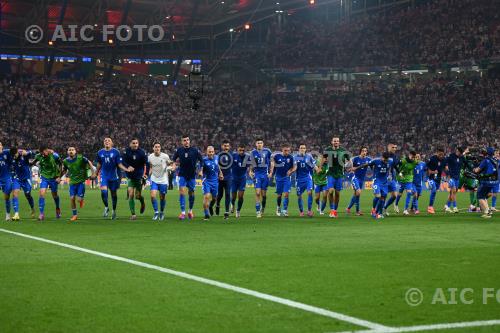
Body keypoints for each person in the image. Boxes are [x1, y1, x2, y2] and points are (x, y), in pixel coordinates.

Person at [95, 138, 132, 220]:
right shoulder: (100, 152)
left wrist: (126, 169)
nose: (107, 142)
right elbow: (99, 164)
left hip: (113, 176)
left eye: (108, 141)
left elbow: (119, 164)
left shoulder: (116, 152)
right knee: (103, 191)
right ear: (103, 143)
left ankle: (114, 211)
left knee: (113, 194)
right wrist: (96, 173)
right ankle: (106, 207)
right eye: (105, 141)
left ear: (112, 143)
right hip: (104, 175)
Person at [354, 152, 394, 220]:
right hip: (376, 181)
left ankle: (378, 213)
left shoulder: (390, 161)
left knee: (383, 198)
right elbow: (366, 164)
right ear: (382, 157)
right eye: (384, 160)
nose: (385, 161)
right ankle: (373, 209)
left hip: (384, 182)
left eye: (387, 160)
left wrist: (392, 175)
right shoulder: (376, 161)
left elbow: (394, 166)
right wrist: (356, 168)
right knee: (378, 196)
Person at [172, 135, 204, 220]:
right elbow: (174, 159)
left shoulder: (195, 150)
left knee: (191, 193)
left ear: (189, 141)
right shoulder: (179, 150)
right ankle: (183, 213)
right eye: (184, 140)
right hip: (182, 174)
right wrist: (174, 165)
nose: (186, 141)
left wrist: (201, 170)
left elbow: (201, 160)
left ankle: (190, 211)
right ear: (182, 142)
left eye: (187, 140)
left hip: (192, 175)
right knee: (182, 192)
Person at [62, 147, 95, 221]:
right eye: (69, 150)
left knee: (79, 200)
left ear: (75, 151)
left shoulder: (80, 157)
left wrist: (93, 173)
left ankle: (81, 200)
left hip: (81, 181)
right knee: (72, 198)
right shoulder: (65, 161)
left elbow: (89, 162)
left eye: (72, 150)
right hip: (72, 182)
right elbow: (64, 170)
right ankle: (74, 215)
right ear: (67, 152)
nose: (71, 151)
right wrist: (62, 175)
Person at [122, 138, 149, 220]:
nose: (135, 144)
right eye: (133, 143)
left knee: (138, 196)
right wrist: (127, 166)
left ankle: (142, 202)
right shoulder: (126, 151)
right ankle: (133, 214)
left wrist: (146, 174)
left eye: (136, 143)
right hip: (130, 177)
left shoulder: (142, 152)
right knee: (131, 195)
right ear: (130, 144)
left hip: (139, 177)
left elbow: (147, 164)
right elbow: (122, 161)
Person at [324, 137, 351, 218]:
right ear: (332, 142)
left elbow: (349, 160)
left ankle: (335, 210)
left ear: (339, 142)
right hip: (331, 174)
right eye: (335, 141)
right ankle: (332, 209)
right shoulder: (328, 150)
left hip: (339, 174)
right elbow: (324, 158)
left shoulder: (343, 150)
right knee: (331, 191)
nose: (336, 142)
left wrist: (350, 167)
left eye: (337, 141)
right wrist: (320, 167)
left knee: (338, 193)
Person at [34, 146, 62, 221]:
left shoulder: (55, 155)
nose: (45, 152)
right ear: (41, 152)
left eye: (46, 150)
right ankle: (41, 214)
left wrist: (59, 176)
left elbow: (61, 164)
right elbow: (33, 162)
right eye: (43, 151)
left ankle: (57, 208)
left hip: (53, 178)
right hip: (44, 177)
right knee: (42, 193)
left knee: (54, 195)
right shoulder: (38, 156)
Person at [148, 142, 172, 221]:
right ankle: (156, 212)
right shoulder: (150, 157)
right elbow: (151, 167)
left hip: (163, 180)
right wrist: (147, 174)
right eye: (156, 147)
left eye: (158, 147)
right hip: (154, 179)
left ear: (160, 148)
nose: (157, 148)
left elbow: (170, 163)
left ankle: (161, 212)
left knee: (162, 197)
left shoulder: (165, 156)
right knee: (152, 196)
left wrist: (170, 167)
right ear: (153, 148)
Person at [269, 144, 294, 217]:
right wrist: (271, 172)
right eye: (285, 150)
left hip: (286, 178)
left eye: (288, 150)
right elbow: (273, 164)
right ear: (282, 150)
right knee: (279, 195)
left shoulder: (291, 157)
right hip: (278, 178)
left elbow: (294, 166)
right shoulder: (277, 156)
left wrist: (291, 170)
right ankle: (278, 207)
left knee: (286, 194)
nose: (287, 152)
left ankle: (285, 210)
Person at [249, 138, 272, 218]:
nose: (259, 144)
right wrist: (250, 171)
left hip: (265, 175)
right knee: (258, 193)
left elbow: (271, 162)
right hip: (257, 175)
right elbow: (252, 163)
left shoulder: (267, 151)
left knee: (264, 195)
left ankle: (263, 208)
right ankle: (258, 211)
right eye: (258, 143)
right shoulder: (253, 152)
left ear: (263, 144)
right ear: (256, 144)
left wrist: (271, 172)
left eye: (261, 143)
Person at [473, 147, 499, 219]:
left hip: (486, 181)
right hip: (494, 182)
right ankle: (488, 211)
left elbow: (478, 170)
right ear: (493, 153)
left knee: (480, 196)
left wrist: (474, 169)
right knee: (484, 196)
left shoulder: (485, 160)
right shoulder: (496, 160)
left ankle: (487, 212)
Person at [11, 146, 35, 220]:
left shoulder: (23, 155)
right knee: (15, 193)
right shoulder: (11, 158)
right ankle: (16, 214)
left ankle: (32, 208)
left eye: (15, 154)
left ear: (17, 152)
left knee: (28, 195)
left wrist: (28, 152)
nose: (14, 156)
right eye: (13, 155)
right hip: (17, 179)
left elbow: (33, 153)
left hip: (26, 179)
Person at [200, 146, 223, 220]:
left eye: (212, 152)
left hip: (215, 181)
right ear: (207, 152)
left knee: (214, 198)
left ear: (214, 152)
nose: (211, 153)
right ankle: (206, 214)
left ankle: (210, 206)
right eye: (209, 152)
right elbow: (201, 168)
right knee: (206, 197)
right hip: (207, 181)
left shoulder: (216, 157)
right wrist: (200, 172)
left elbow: (218, 166)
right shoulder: (204, 160)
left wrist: (221, 173)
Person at [347, 147, 370, 216]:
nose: (364, 152)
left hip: (362, 179)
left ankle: (348, 208)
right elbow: (348, 166)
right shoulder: (355, 159)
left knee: (356, 194)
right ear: (360, 151)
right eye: (363, 151)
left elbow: (374, 164)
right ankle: (357, 211)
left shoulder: (368, 159)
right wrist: (350, 169)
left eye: (365, 151)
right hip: (355, 178)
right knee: (358, 192)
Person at [294, 144, 316, 217]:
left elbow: (313, 165)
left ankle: (309, 211)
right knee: (299, 195)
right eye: (301, 148)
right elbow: (294, 167)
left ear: (305, 149)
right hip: (299, 179)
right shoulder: (295, 157)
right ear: (299, 149)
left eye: (304, 148)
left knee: (310, 192)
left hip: (307, 178)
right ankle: (301, 211)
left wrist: (318, 169)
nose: (302, 149)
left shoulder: (309, 156)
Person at [394, 151, 418, 215]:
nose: (413, 158)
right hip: (401, 178)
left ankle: (405, 209)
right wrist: (399, 173)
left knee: (409, 193)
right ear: (409, 155)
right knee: (400, 194)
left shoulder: (415, 161)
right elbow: (395, 165)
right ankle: (396, 204)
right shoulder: (403, 161)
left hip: (409, 179)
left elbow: (419, 163)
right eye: (412, 157)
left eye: (414, 157)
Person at [231, 144, 251, 218]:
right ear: (237, 149)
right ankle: (232, 204)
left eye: (243, 150)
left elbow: (250, 166)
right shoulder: (233, 156)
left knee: (240, 196)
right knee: (233, 196)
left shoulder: (247, 157)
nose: (242, 152)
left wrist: (250, 171)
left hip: (242, 178)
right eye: (240, 150)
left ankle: (238, 211)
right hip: (233, 178)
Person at [444, 147, 465, 213]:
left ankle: (447, 206)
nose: (460, 154)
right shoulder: (451, 156)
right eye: (460, 153)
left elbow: (466, 163)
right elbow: (445, 162)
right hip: (451, 177)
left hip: (457, 177)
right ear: (457, 151)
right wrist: (446, 168)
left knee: (453, 193)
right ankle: (455, 207)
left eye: (461, 153)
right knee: (453, 191)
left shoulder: (461, 157)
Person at [426, 148, 446, 214]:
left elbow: (445, 167)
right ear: (437, 153)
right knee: (434, 190)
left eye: (442, 155)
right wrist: (431, 172)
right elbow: (426, 167)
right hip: (431, 178)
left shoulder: (444, 160)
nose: (441, 156)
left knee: (434, 191)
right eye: (440, 154)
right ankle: (430, 207)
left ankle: (430, 206)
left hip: (438, 179)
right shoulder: (432, 159)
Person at [215, 140, 232, 219]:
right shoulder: (218, 156)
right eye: (225, 146)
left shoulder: (231, 155)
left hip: (228, 177)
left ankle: (226, 212)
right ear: (222, 146)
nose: (226, 147)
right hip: (220, 178)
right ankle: (217, 204)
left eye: (227, 146)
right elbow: (216, 165)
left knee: (228, 194)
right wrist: (219, 173)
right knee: (220, 195)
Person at [383, 143, 400, 215]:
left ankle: (385, 207)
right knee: (383, 195)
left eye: (395, 147)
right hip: (384, 178)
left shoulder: (395, 156)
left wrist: (400, 173)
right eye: (393, 147)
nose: (394, 149)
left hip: (392, 178)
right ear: (389, 148)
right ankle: (377, 209)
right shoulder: (385, 155)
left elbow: (395, 166)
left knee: (394, 196)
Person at [0, 142, 14, 221]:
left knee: (7, 196)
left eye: (0, 145)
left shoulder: (6, 152)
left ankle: (8, 214)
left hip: (6, 178)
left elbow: (15, 151)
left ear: (2, 146)